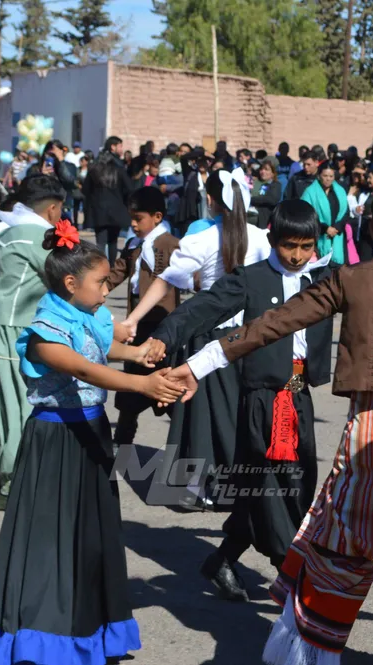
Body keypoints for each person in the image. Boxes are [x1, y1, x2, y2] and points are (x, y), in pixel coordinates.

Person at [171, 180, 373, 665]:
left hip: (368, 434)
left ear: (370, 227)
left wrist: (199, 364)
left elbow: (272, 323)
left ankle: (309, 653)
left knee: (341, 555)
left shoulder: (348, 277)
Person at [0, 224, 184, 665]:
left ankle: (90, 630)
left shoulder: (88, 315)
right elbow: (82, 368)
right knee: (50, 541)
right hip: (55, 440)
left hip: (91, 434)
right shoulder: (45, 328)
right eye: (101, 282)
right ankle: (43, 640)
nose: (108, 290)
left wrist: (140, 354)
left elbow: (100, 348)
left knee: (93, 538)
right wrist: (141, 384)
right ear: (70, 284)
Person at [151, 200, 334, 600]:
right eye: (290, 246)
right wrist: (164, 337)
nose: (298, 255)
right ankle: (293, 572)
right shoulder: (250, 279)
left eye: (306, 247)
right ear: (272, 239)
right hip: (261, 400)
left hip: (299, 398)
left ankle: (223, 558)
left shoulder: (324, 279)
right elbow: (203, 308)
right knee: (271, 487)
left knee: (298, 486)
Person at [121, 167, 272, 508]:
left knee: (201, 412)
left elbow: (166, 280)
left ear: (209, 200)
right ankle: (239, 483)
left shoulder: (201, 238)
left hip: (206, 333)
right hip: (249, 335)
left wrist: (132, 319)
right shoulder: (261, 238)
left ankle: (199, 487)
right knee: (241, 409)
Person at [0, 175, 66, 510]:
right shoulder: (39, 239)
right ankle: (14, 479)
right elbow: (64, 279)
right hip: (15, 330)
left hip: (3, 327)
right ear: (51, 210)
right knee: (16, 402)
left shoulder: (7, 235)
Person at [104, 186, 182, 450]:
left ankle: (183, 445)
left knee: (167, 387)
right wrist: (99, 290)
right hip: (136, 327)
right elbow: (118, 272)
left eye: (139, 219)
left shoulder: (168, 244)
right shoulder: (134, 244)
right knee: (130, 390)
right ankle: (122, 441)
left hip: (162, 326)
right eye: (132, 219)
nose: (134, 224)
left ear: (157, 217)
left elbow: (170, 283)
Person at [82, 149, 130, 264]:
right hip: (116, 209)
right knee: (113, 241)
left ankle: (101, 265)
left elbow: (85, 189)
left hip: (98, 210)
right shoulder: (119, 171)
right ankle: (112, 265)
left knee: (101, 241)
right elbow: (129, 188)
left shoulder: (94, 171)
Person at [301, 161, 348, 264]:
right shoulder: (310, 192)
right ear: (319, 176)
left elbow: (345, 212)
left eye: (331, 176)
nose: (328, 179)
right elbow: (306, 215)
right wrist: (326, 228)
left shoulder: (340, 191)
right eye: (325, 175)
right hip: (318, 237)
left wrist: (336, 228)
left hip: (338, 236)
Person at [249, 157, 281, 229]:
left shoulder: (275, 184)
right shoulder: (254, 181)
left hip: (262, 222)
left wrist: (251, 199)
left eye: (266, 169)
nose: (263, 172)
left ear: (273, 172)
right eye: (261, 169)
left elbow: (271, 199)